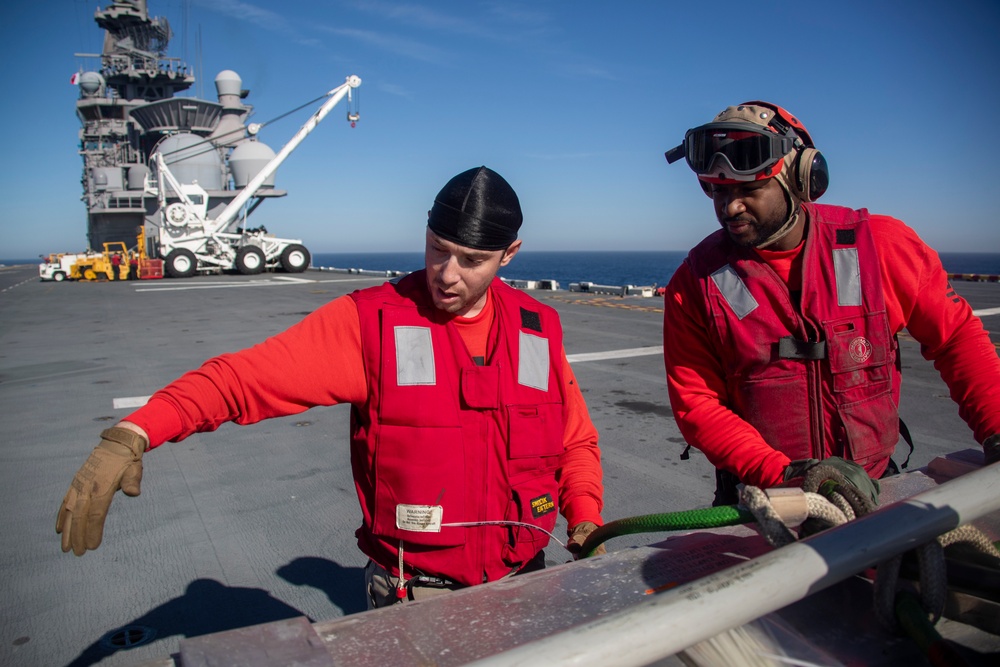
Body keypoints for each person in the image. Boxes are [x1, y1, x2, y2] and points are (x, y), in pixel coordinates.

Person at [56, 166, 605, 607]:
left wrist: (584, 517)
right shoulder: (371, 322)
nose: (447, 274)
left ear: (509, 255)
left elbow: (573, 441)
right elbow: (239, 380)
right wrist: (134, 431)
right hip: (416, 599)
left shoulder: (537, 329)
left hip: (527, 585)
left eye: (472, 260)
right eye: (437, 248)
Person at [662, 101, 1000, 505]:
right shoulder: (695, 281)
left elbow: (957, 341)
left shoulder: (881, 246)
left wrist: (996, 431)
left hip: (873, 489)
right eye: (719, 191)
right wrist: (785, 475)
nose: (730, 207)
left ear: (800, 180)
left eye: (749, 189)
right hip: (763, 498)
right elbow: (698, 404)